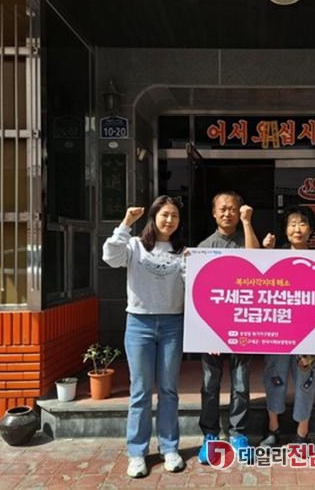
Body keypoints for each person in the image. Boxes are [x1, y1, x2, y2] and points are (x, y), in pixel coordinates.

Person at [102, 196, 187, 478]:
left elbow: (195, 285)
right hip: (139, 323)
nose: (169, 220)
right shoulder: (135, 245)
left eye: (175, 215)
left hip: (173, 324)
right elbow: (110, 257)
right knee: (140, 391)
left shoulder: (183, 251)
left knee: (169, 390)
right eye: (165, 214)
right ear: (153, 216)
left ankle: (169, 448)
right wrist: (126, 223)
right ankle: (137, 453)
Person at [197, 191, 260, 463]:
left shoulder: (246, 240)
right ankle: (210, 435)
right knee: (210, 385)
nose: (227, 213)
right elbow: (199, 294)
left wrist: (247, 223)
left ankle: (238, 434)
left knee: (241, 384)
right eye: (222, 209)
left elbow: (257, 261)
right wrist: (208, 333)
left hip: (242, 328)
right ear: (213, 213)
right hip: (212, 331)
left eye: (233, 209)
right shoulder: (204, 247)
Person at [260, 206, 315, 448]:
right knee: (274, 375)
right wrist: (265, 254)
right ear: (285, 230)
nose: (297, 229)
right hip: (277, 330)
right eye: (292, 224)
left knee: (306, 379)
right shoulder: (274, 256)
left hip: (309, 332)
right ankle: (273, 428)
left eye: (303, 223)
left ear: (311, 230)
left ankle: (302, 433)